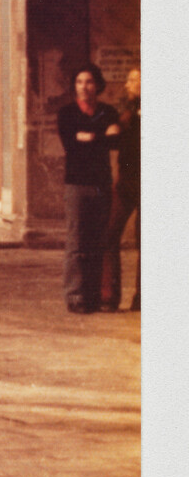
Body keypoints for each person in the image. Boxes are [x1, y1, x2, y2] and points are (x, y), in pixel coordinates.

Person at [56, 62, 120, 314]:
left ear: (98, 85)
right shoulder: (67, 113)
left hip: (102, 183)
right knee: (76, 241)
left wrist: (90, 137)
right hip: (77, 185)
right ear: (74, 86)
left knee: (98, 240)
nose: (84, 87)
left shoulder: (109, 111)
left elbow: (115, 141)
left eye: (89, 82)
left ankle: (94, 295)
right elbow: (72, 145)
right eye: (80, 82)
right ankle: (75, 295)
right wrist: (100, 136)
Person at [102, 67, 140, 312]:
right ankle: (110, 295)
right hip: (126, 181)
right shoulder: (126, 110)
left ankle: (143, 297)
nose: (127, 84)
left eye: (133, 80)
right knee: (109, 235)